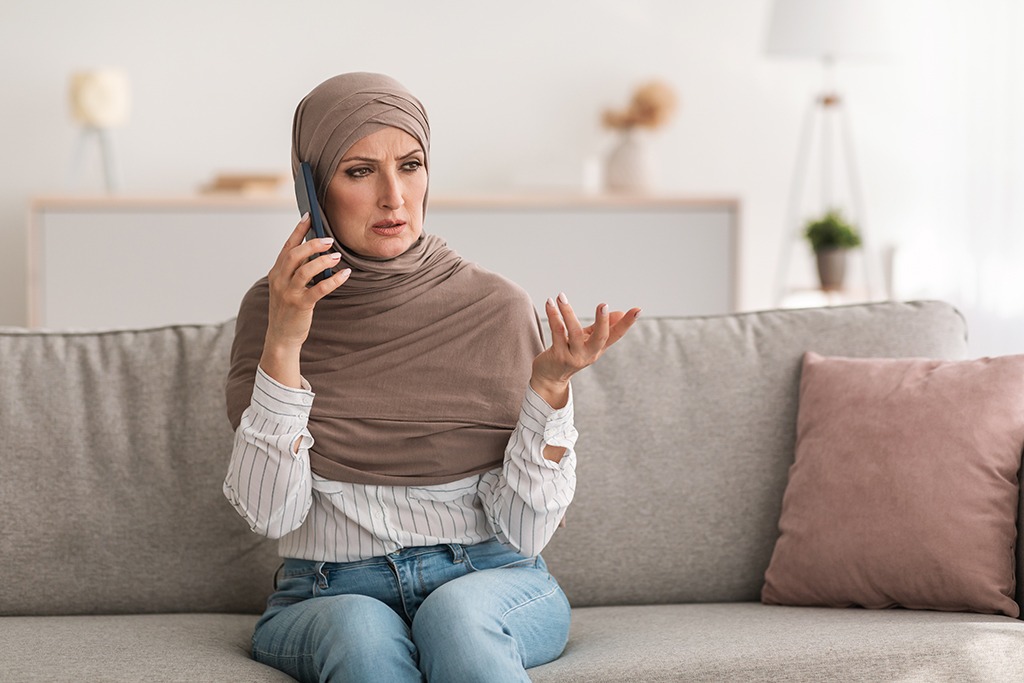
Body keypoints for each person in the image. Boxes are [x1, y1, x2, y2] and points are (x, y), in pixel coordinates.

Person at [223, 72, 640, 683]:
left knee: (456, 618)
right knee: (361, 632)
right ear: (312, 188)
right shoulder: (272, 309)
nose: (394, 197)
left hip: (492, 580)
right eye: (359, 171)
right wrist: (286, 338)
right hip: (326, 591)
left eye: (411, 165)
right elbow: (270, 515)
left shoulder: (496, 306)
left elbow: (525, 532)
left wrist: (550, 390)